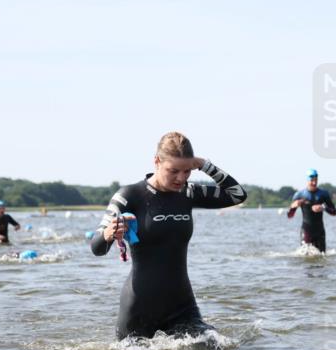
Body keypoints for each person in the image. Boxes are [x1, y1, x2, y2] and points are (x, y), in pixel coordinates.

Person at [90, 131, 247, 339]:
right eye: (173, 171)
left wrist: (205, 165)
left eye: (187, 171)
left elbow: (237, 195)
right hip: (139, 309)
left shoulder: (188, 193)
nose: (181, 178)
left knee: (214, 346)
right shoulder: (129, 196)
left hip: (182, 307)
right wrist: (109, 233)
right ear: (156, 161)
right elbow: (96, 247)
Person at [288, 169, 336, 253]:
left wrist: (323, 208)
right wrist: (293, 207)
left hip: (320, 231)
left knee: (321, 258)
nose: (314, 183)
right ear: (307, 180)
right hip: (306, 231)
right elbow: (289, 215)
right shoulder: (299, 195)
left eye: (316, 180)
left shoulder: (323, 194)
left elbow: (334, 212)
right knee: (306, 258)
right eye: (312, 180)